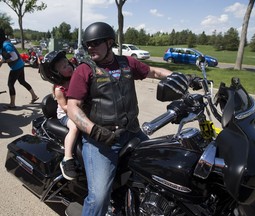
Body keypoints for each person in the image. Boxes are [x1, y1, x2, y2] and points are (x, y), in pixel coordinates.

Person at [66, 22, 188, 215]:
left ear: (109, 42)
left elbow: (154, 72)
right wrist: (94, 130)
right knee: (99, 197)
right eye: (88, 44)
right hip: (101, 141)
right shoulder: (84, 70)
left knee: (162, 170)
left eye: (96, 43)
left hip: (133, 133)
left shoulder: (126, 63)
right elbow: (72, 107)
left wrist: (182, 79)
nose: (90, 48)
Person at [39, 50, 79, 180]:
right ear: (56, 73)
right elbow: (66, 107)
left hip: (79, 110)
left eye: (67, 64)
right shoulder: (59, 89)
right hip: (65, 115)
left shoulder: (76, 78)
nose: (69, 67)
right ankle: (67, 158)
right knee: (75, 128)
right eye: (64, 67)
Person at [0, 28, 39, 109]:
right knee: (22, 81)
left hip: (16, 66)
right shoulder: (2, 45)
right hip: (20, 65)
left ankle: (12, 104)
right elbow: (4, 56)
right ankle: (34, 96)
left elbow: (14, 56)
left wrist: (4, 61)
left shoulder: (6, 45)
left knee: (10, 84)